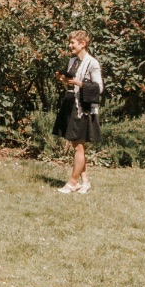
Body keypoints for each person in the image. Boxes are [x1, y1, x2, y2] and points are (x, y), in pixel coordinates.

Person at [53, 29, 103, 194]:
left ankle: (72, 182)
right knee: (77, 145)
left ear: (83, 44)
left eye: (73, 42)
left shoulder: (92, 63)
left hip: (83, 109)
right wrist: (64, 80)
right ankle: (85, 181)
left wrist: (79, 83)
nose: (70, 45)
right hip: (71, 104)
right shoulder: (73, 61)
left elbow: (99, 88)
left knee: (78, 146)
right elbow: (71, 85)